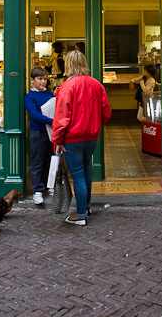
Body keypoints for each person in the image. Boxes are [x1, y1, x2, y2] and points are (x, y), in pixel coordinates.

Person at [51, 50, 111, 226]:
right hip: (91, 137)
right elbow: (106, 113)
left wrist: (57, 140)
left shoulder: (67, 87)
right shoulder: (96, 84)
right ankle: (86, 206)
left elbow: (61, 117)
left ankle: (81, 214)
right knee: (85, 171)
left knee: (77, 175)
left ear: (68, 64)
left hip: (72, 138)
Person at [24, 67, 55, 205]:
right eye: (40, 79)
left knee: (48, 160)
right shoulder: (29, 97)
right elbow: (34, 115)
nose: (43, 82)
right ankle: (37, 190)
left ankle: (47, 186)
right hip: (38, 132)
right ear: (32, 80)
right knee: (37, 162)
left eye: (45, 79)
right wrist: (52, 121)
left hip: (51, 132)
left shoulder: (50, 94)